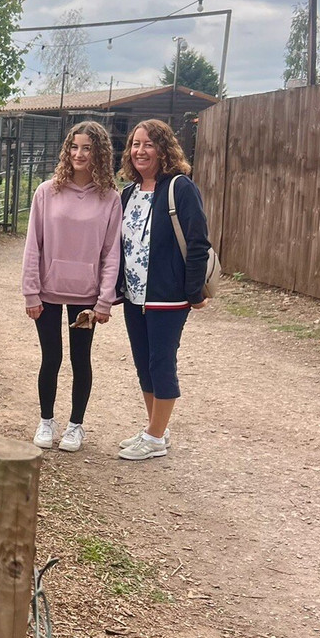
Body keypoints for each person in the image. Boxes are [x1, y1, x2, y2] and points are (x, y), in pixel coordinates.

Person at [21, 121, 122, 452]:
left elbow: (111, 252)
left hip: (87, 298)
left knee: (82, 359)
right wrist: (31, 292)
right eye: (74, 147)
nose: (79, 154)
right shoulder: (46, 192)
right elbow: (33, 246)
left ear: (99, 153)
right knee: (51, 357)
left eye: (87, 148)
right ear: (67, 150)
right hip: (48, 293)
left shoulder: (110, 198)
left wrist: (105, 300)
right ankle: (46, 420)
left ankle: (76, 426)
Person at [116, 118, 211, 460]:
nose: (140, 151)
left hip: (168, 296)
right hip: (134, 294)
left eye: (149, 144)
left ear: (164, 149)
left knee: (161, 363)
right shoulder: (127, 193)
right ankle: (156, 429)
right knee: (144, 363)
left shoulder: (180, 188)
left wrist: (193, 292)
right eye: (136, 144)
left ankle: (154, 438)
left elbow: (198, 241)